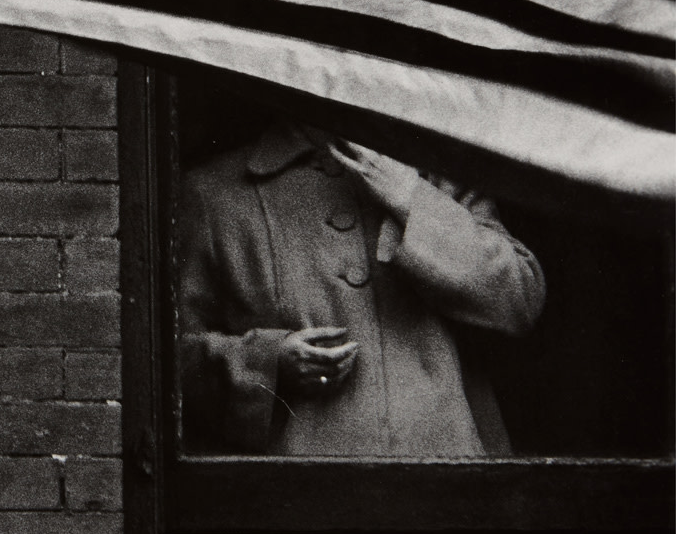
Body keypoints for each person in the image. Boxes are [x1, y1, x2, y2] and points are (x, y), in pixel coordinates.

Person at [178, 119, 544, 456]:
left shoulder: (439, 175)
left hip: (446, 482)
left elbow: (519, 298)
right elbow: (167, 361)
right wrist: (269, 362)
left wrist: (412, 200)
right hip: (298, 494)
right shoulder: (214, 193)